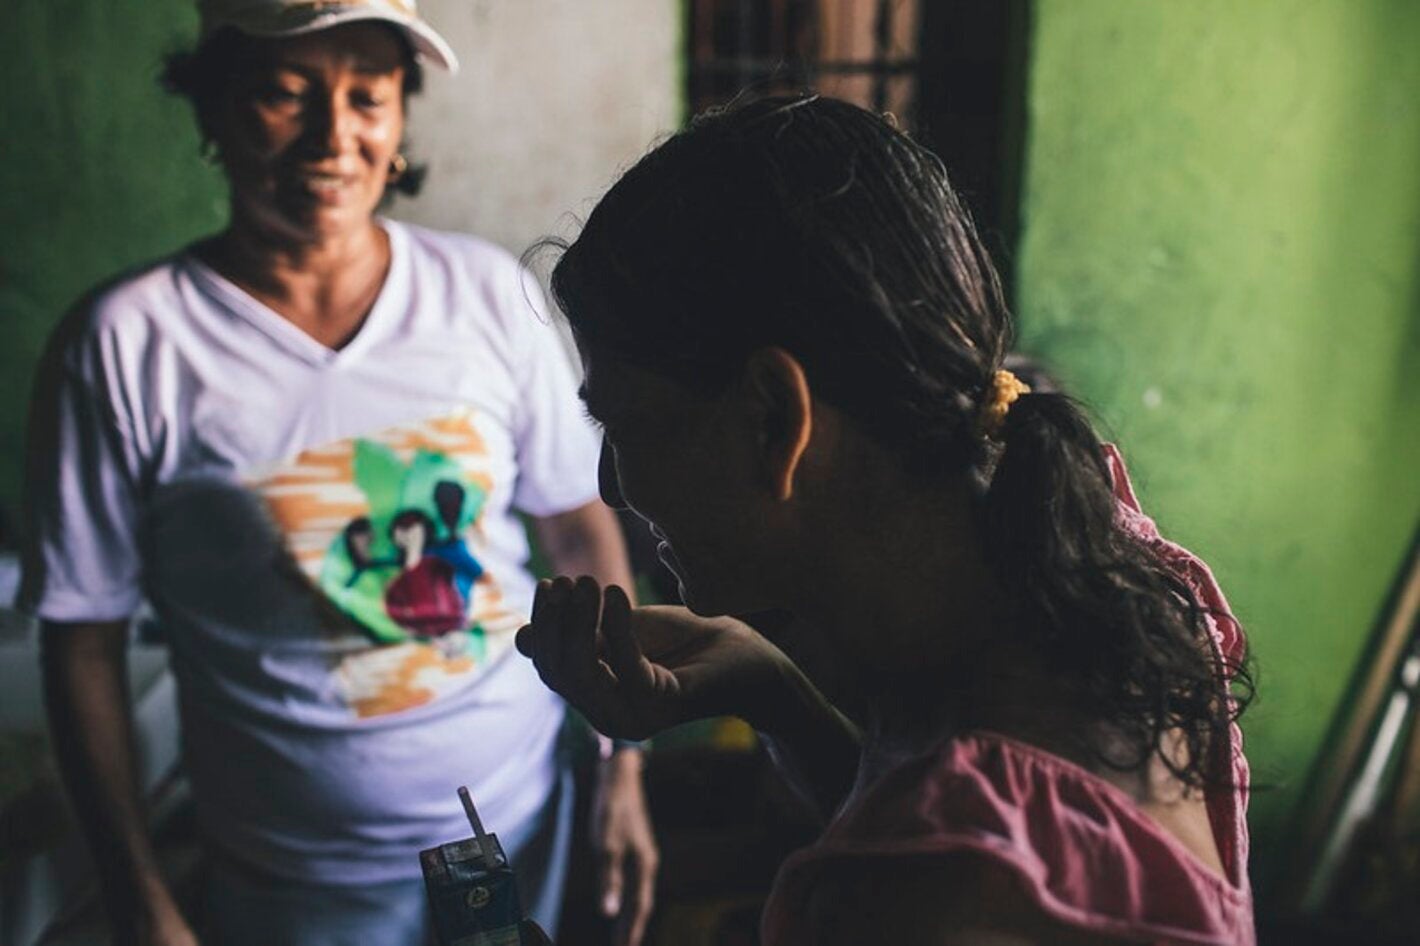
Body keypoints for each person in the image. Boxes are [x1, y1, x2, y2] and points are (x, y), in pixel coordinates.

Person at [517, 94, 1256, 945]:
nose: (610, 487)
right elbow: (919, 814)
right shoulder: (1105, 559)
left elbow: (932, 865)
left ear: (771, 420)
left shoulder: (937, 896)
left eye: (627, 427)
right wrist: (770, 692)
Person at [21, 2, 657, 944]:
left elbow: (573, 526)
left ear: (400, 119)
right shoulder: (126, 345)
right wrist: (135, 888)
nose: (334, 134)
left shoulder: (487, 296)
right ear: (215, 107)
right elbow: (82, 638)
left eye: (369, 94)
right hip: (294, 886)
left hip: (528, 826)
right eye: (285, 92)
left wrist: (621, 768)